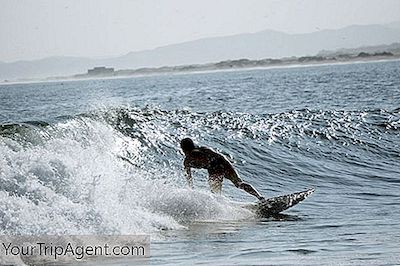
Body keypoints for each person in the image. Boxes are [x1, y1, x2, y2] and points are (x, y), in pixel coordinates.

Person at [180, 138, 265, 201]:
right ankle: (260, 198)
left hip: (221, 164)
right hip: (216, 168)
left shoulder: (201, 151)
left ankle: (260, 197)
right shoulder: (187, 161)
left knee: (237, 184)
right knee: (235, 185)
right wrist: (191, 189)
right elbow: (188, 176)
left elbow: (218, 156)